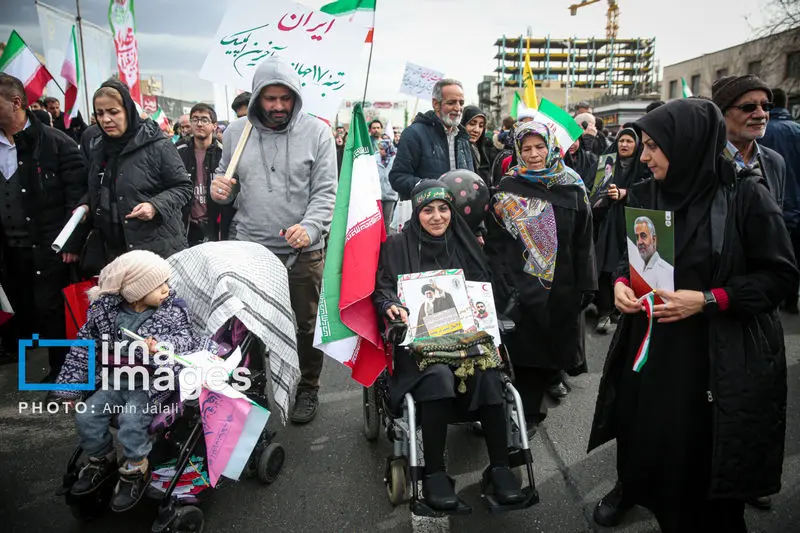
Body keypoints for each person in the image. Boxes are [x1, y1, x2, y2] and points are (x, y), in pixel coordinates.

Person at [588, 98, 798, 532]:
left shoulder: (745, 196)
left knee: (706, 479)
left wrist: (707, 299)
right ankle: (638, 492)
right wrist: (621, 283)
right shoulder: (646, 193)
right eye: (643, 146)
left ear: (686, 145)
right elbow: (633, 260)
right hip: (653, 354)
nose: (643, 156)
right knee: (654, 453)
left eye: (653, 147)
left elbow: (779, 277)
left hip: (715, 362)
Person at [372, 179, 524, 510]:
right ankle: (435, 475)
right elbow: (383, 288)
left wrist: (489, 325)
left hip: (465, 337)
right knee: (439, 376)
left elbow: (485, 292)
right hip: (419, 344)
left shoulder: (465, 245)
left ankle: (500, 469)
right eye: (428, 210)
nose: (438, 217)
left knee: (489, 374)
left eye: (444, 209)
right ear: (416, 212)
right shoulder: (398, 246)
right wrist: (390, 306)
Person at [211, 57, 337, 425]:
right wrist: (220, 191)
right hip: (250, 248)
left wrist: (311, 228)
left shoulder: (318, 133)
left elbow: (326, 192)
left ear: (296, 97)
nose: (279, 106)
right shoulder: (235, 132)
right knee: (249, 324)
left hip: (303, 252)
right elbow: (225, 185)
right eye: (271, 98)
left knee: (305, 325)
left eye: (286, 98)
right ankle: (256, 389)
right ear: (257, 98)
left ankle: (308, 387)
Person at [52, 250, 210, 512]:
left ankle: (137, 468)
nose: (167, 290)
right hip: (115, 382)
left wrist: (160, 347)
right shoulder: (105, 314)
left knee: (131, 420)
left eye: (167, 283)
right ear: (135, 292)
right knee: (86, 415)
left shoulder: (172, 311)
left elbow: (188, 339)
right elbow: (83, 350)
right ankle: (101, 458)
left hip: (150, 385)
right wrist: (70, 388)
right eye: (159, 285)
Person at [485, 121, 596, 432]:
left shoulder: (572, 185)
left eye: (539, 147)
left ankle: (533, 409)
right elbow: (496, 242)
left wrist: (587, 283)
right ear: (518, 151)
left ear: (551, 147)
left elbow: (585, 238)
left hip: (562, 284)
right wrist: (503, 283)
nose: (533, 154)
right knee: (523, 351)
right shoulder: (507, 189)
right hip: (520, 286)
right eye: (526, 148)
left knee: (551, 349)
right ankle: (523, 411)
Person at [0, 73, 87, 378]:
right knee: (23, 307)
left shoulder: (55, 143)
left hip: (51, 246)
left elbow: (78, 197)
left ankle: (61, 371)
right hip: (9, 249)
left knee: (52, 309)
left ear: (15, 102)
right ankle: (24, 362)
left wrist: (72, 243)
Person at [81, 80, 192, 270]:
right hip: (114, 253)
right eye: (100, 113)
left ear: (128, 110)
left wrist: (155, 206)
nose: (106, 119)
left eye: (113, 112)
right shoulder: (97, 146)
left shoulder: (158, 145)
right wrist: (85, 204)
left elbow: (183, 187)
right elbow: (99, 186)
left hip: (156, 251)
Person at [589, 126, 649, 334]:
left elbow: (649, 191)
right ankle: (604, 311)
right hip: (607, 223)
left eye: (629, 141)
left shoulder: (644, 164)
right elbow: (594, 191)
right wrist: (605, 193)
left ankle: (621, 309)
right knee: (605, 265)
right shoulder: (607, 162)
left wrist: (626, 193)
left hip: (633, 223)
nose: (624, 145)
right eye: (621, 141)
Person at [389, 78, 474, 200]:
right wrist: (430, 188)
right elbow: (398, 178)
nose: (458, 108)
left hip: (458, 213)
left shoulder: (463, 137)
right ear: (436, 104)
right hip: (428, 214)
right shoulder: (414, 134)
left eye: (461, 103)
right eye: (451, 102)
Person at [712, 75, 785, 208]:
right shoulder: (704, 160)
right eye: (749, 107)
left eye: (766, 106)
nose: (761, 114)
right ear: (722, 113)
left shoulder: (775, 162)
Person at [759, 87, 800, 313]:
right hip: (796, 204)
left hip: (772, 203)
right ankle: (791, 298)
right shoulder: (796, 130)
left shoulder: (764, 133)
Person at [176, 103, 232, 245]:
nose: (199, 124)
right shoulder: (178, 152)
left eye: (204, 120)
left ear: (214, 125)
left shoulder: (224, 153)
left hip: (216, 224)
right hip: (187, 224)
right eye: (195, 119)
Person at [461, 105, 497, 185]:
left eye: (481, 126)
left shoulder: (482, 150)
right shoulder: (456, 150)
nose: (477, 130)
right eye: (472, 123)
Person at [376, 139, 398, 232]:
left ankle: (387, 239)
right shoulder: (375, 158)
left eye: (383, 149)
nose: (381, 151)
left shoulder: (395, 159)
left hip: (390, 194)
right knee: (378, 219)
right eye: (380, 149)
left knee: (387, 219)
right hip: (378, 193)